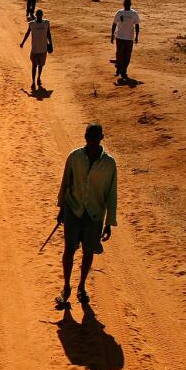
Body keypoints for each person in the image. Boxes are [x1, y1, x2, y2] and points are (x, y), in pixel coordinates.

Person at [55, 124, 117, 308]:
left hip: (94, 214)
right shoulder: (74, 157)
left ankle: (81, 286)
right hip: (73, 210)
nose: (91, 141)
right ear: (85, 137)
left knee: (88, 251)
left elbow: (111, 194)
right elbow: (65, 182)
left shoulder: (109, 164)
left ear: (101, 138)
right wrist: (61, 209)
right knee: (69, 250)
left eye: (94, 137)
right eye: (89, 137)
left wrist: (109, 222)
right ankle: (66, 287)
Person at [19, 8, 53, 92]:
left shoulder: (46, 23)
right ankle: (33, 82)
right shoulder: (32, 24)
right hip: (35, 49)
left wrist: (51, 44)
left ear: (42, 15)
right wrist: (23, 42)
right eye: (38, 15)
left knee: (40, 65)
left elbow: (49, 34)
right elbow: (27, 33)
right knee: (34, 65)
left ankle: (38, 78)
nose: (39, 17)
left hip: (43, 49)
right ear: (36, 16)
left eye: (40, 15)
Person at [110, 0, 140, 82]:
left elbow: (137, 25)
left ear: (130, 5)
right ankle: (119, 69)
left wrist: (137, 36)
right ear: (123, 4)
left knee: (127, 56)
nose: (126, 5)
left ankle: (124, 71)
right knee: (119, 54)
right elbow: (114, 24)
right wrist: (112, 35)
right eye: (125, 4)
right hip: (120, 37)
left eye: (128, 4)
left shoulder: (134, 13)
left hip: (129, 38)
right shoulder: (119, 12)